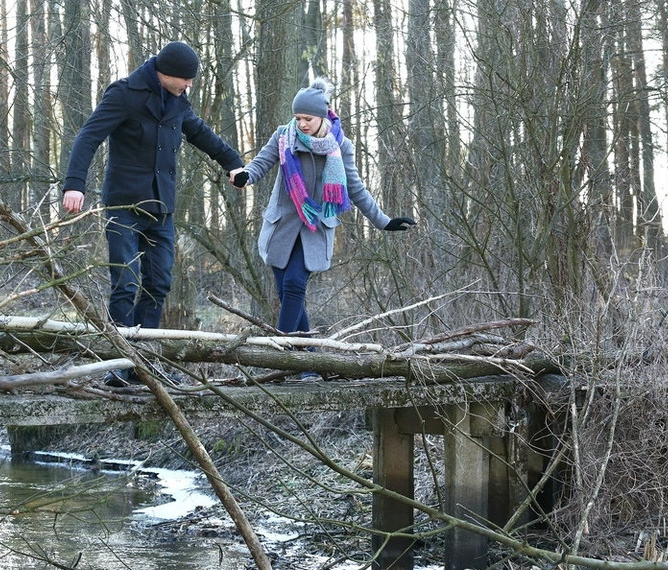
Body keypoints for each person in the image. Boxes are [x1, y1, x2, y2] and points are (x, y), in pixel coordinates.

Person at [61, 41, 246, 386]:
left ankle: (142, 363)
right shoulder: (124, 94)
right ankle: (118, 362)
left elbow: (200, 133)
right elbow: (88, 136)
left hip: (161, 208)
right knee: (125, 282)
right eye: (185, 80)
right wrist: (75, 184)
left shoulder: (177, 102)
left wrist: (232, 164)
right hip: (124, 206)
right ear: (166, 74)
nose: (189, 86)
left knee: (158, 284)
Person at [232, 78, 415, 380]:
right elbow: (260, 164)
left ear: (323, 115)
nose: (301, 123)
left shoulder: (340, 147)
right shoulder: (283, 137)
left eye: (307, 118)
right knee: (287, 292)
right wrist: (245, 177)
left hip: (315, 228)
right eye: (297, 118)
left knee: (294, 284)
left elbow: (355, 188)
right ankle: (310, 365)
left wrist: (383, 221)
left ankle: (278, 357)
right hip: (282, 228)